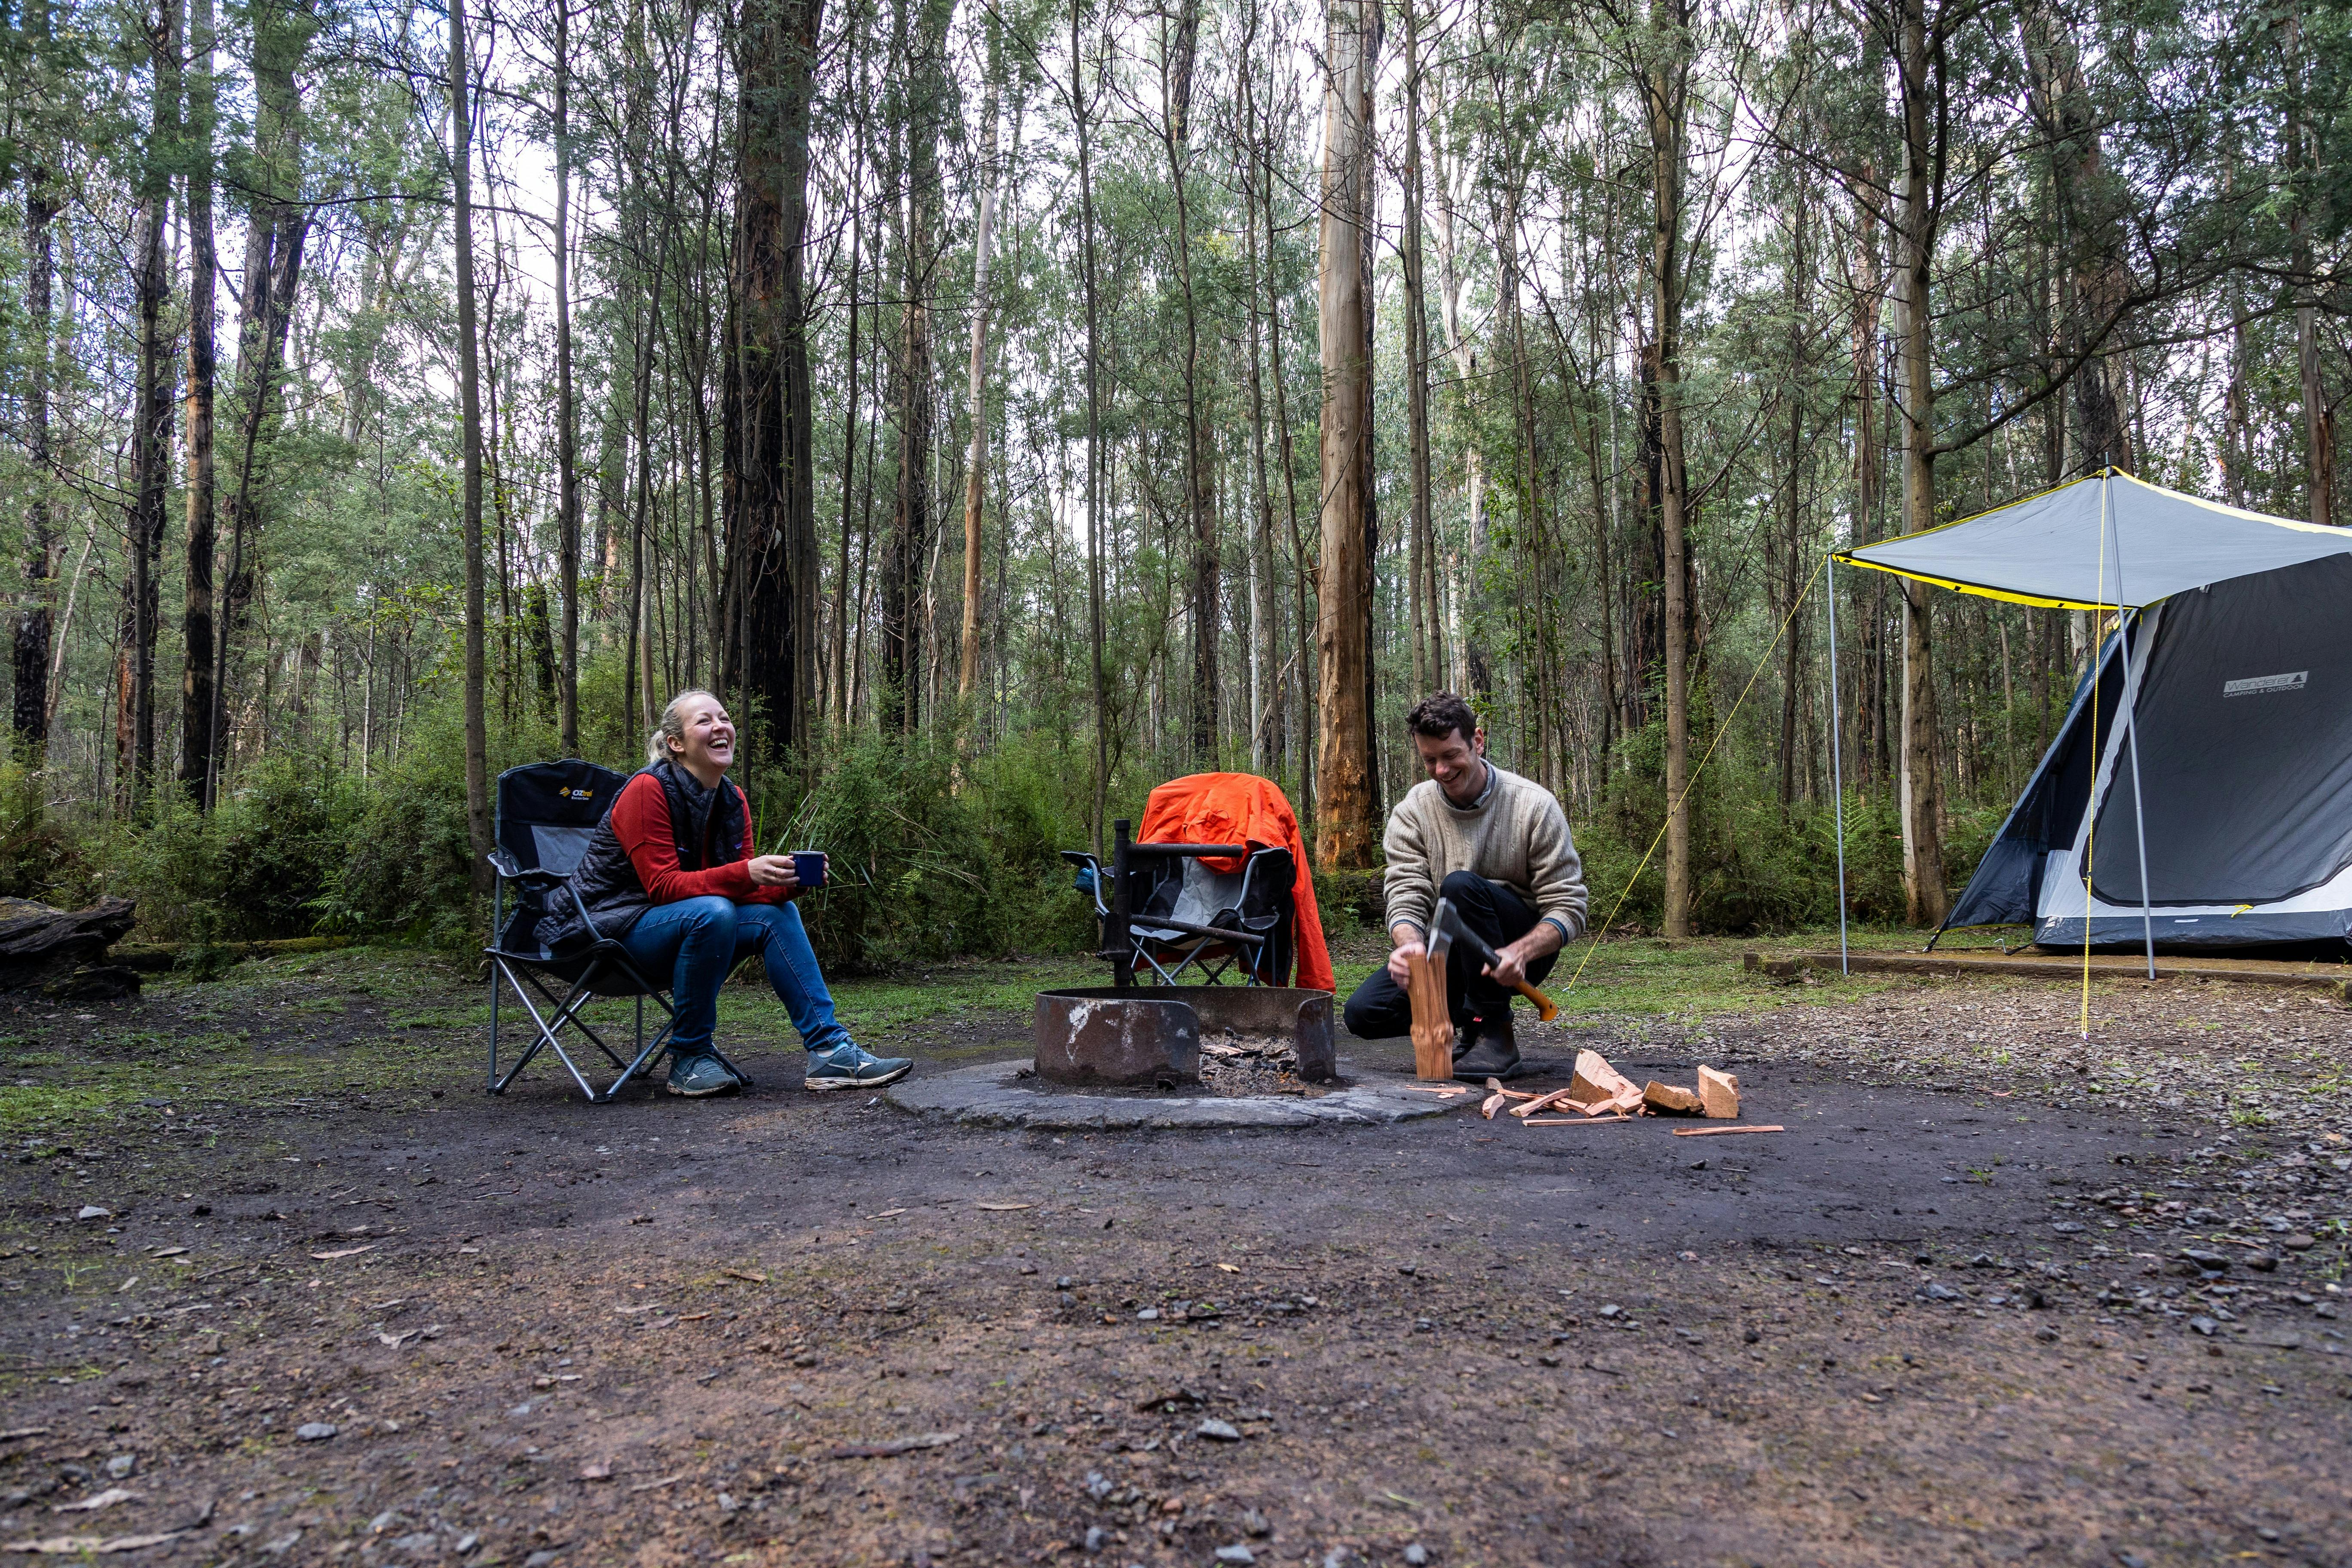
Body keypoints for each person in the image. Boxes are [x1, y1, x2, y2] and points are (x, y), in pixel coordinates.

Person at [539, 689, 912, 1096]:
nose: (720, 727)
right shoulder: (646, 790)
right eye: (704, 721)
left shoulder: (732, 799)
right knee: (713, 911)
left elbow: (740, 893)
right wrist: (745, 873)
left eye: (724, 718)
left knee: (776, 916)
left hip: (687, 928)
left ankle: (830, 1051)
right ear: (676, 745)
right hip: (601, 933)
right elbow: (664, 887)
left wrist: (786, 887)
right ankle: (690, 1057)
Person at [1341, 692, 1588, 1080]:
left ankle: (1496, 1035)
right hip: (1455, 950)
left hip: (1519, 949)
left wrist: (1522, 950)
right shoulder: (1412, 812)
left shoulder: (1534, 806)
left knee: (1458, 887)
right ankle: (1467, 1022)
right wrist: (1409, 946)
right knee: (1364, 1013)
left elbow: (1568, 906)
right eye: (1429, 760)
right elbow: (1406, 893)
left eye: (1451, 755)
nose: (1440, 770)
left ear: (1478, 740)